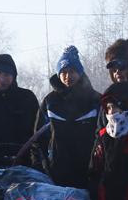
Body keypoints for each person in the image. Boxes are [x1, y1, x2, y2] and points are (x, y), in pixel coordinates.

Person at [35, 45, 101, 189]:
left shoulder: (95, 100)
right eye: (63, 72)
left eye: (72, 71)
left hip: (89, 172)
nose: (67, 76)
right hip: (56, 173)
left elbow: (105, 136)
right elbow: (38, 139)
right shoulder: (50, 102)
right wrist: (44, 166)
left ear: (80, 73)